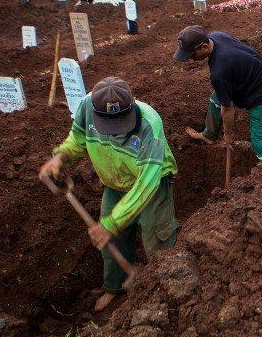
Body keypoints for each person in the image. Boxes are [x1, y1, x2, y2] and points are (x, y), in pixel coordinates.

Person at [39, 77, 179, 312]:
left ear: (132, 105)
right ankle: (113, 288)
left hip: (151, 186)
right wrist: (60, 156)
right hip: (114, 184)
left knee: (158, 240)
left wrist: (112, 222)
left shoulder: (149, 125)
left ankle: (165, 291)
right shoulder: (86, 106)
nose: (115, 133)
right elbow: (78, 138)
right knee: (110, 240)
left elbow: (146, 184)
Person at [174, 26, 262, 161]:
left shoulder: (219, 71)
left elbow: (228, 108)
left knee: (259, 141)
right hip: (250, 78)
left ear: (205, 46)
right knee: (216, 99)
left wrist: (228, 134)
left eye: (192, 55)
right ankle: (208, 135)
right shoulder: (216, 36)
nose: (191, 59)